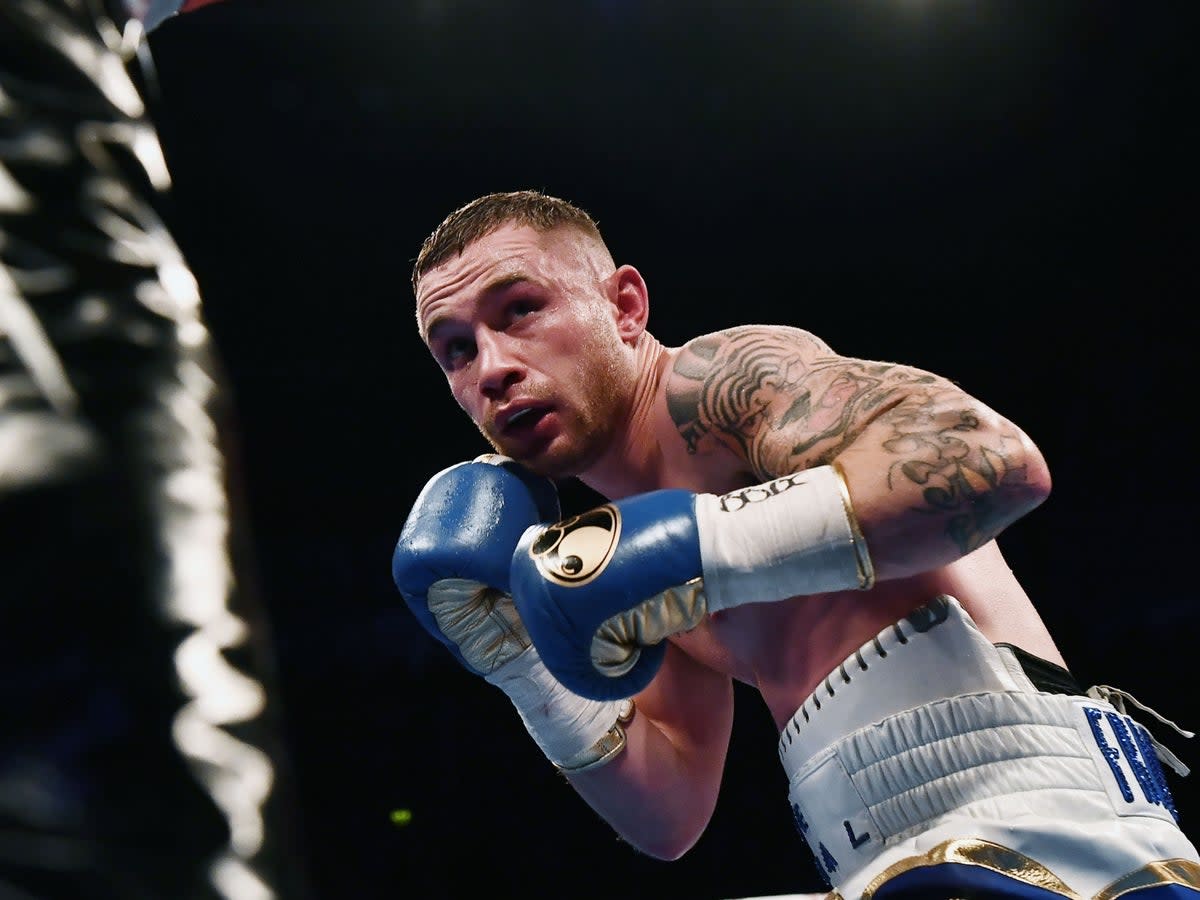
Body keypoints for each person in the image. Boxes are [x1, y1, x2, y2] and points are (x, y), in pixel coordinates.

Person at [391, 189, 1200, 898]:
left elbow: (993, 460)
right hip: (877, 861)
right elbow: (668, 815)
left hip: (1040, 821)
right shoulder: (607, 561)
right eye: (455, 350)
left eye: (520, 310)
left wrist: (703, 544)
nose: (491, 367)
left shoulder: (725, 387)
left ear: (625, 307)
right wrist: (522, 664)